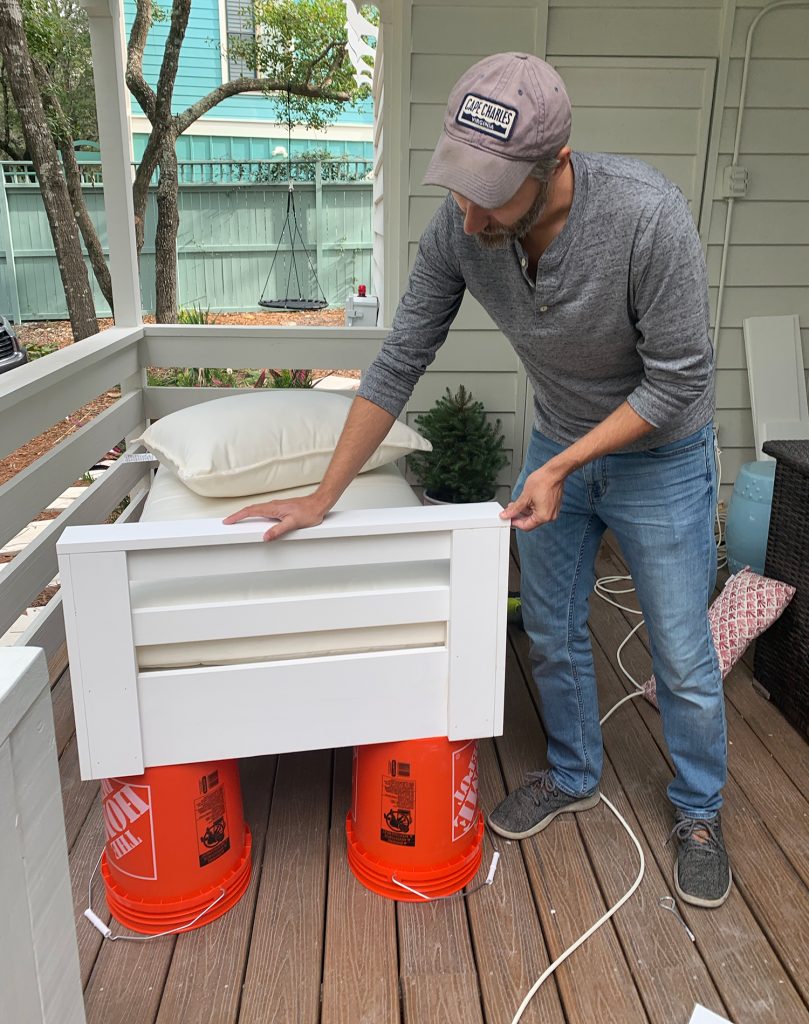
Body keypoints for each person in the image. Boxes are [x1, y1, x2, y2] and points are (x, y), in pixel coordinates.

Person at [224, 52, 731, 909]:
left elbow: (678, 379)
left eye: (487, 190)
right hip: (559, 439)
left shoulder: (648, 217)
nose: (465, 210)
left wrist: (566, 465)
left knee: (681, 653)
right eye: (458, 181)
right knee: (550, 630)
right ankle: (572, 774)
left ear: (553, 166)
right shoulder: (458, 229)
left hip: (662, 457)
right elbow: (399, 359)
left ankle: (698, 812)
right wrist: (322, 496)